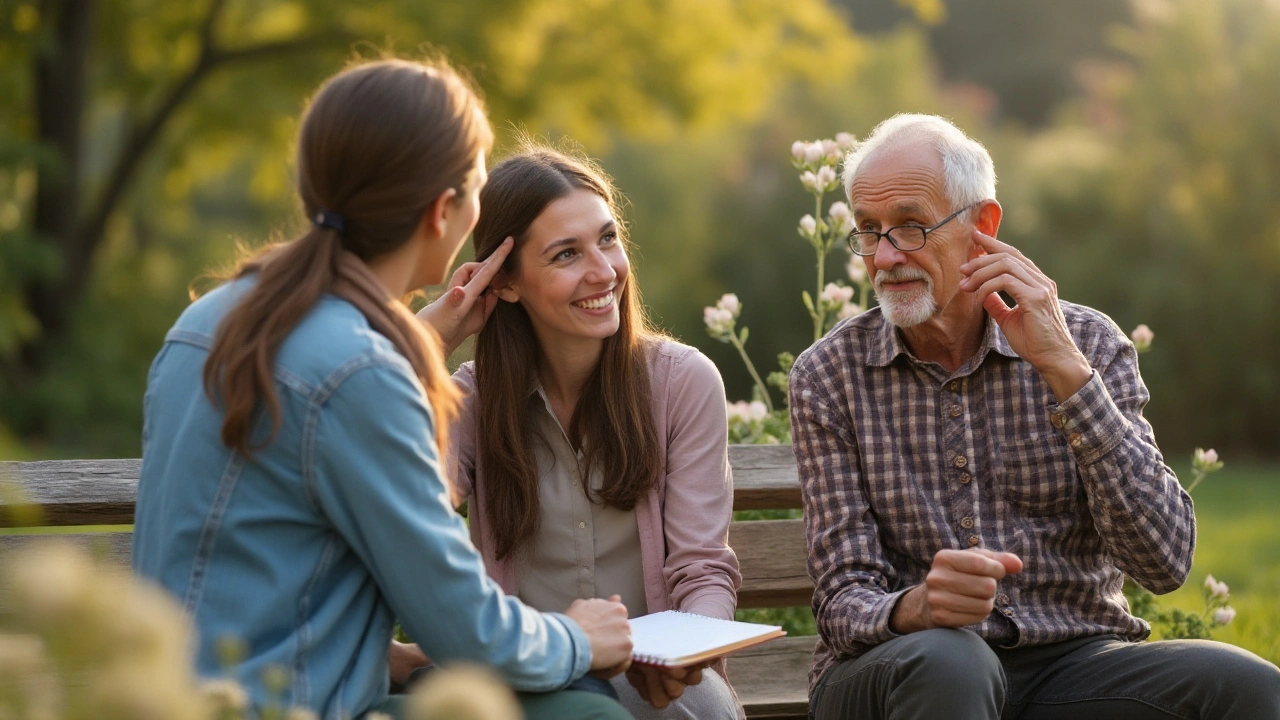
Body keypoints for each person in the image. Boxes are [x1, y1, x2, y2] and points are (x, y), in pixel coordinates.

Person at [131, 60, 634, 720]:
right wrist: (578, 637)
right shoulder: (360, 372)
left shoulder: (208, 320)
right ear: (441, 212)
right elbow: (468, 627)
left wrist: (377, 652)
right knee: (587, 713)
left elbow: (253, 558)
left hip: (174, 698)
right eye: (478, 188)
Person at [790, 113, 1280, 719]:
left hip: (1071, 667)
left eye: (911, 227)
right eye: (869, 230)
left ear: (982, 225)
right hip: (895, 668)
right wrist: (917, 607)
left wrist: (1067, 374)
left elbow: (1166, 561)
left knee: (1249, 686)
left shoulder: (1088, 345)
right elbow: (842, 602)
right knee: (953, 662)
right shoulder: (828, 376)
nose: (885, 257)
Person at [411, 146, 745, 720]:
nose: (603, 271)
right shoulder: (466, 402)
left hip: (658, 679)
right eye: (567, 254)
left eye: (608, 239)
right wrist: (428, 343)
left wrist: (690, 653)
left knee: (697, 708)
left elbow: (702, 568)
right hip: (526, 680)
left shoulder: (682, 383)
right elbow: (416, 514)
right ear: (506, 282)